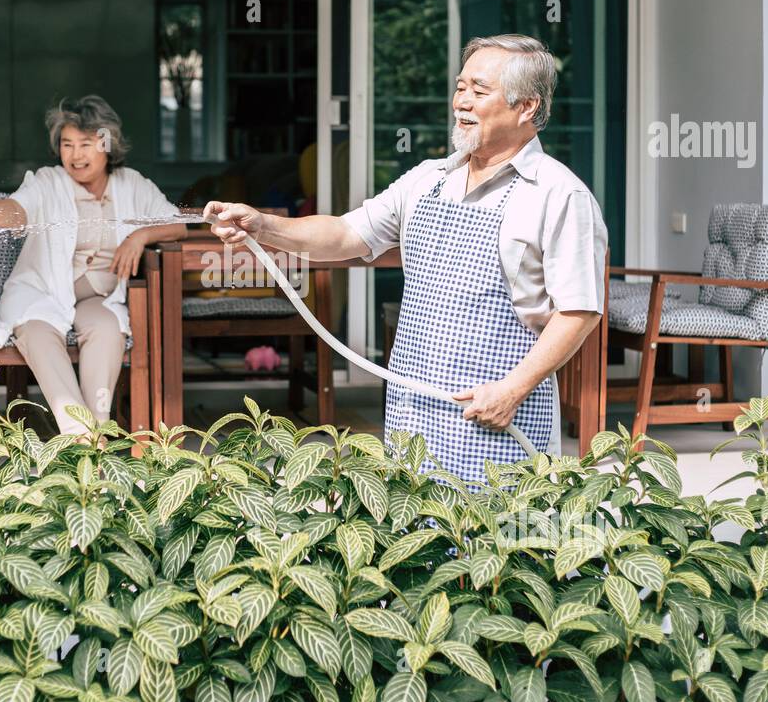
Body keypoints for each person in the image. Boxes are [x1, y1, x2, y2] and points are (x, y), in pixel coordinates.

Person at [205, 34, 608, 484]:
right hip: (412, 406)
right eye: (460, 87)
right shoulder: (427, 180)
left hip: (495, 410)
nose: (462, 102)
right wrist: (264, 225)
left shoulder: (559, 194)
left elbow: (579, 310)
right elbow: (344, 234)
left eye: (479, 90)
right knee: (414, 539)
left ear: (527, 107)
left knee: (498, 542)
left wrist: (511, 391)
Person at [0, 95, 186, 435]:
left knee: (108, 330)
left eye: (86, 144)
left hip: (99, 298)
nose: (76, 155)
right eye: (67, 144)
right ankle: (79, 437)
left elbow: (178, 224)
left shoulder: (132, 184)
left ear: (107, 144)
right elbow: (18, 211)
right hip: (41, 295)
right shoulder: (48, 182)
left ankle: (99, 431)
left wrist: (139, 237)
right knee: (38, 334)